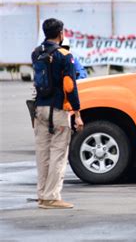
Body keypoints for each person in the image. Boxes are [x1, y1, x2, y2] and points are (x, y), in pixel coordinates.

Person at [32, 18, 84, 208]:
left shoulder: (36, 53)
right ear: (61, 33)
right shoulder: (64, 55)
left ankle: (42, 194)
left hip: (39, 109)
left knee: (43, 153)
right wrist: (77, 113)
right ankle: (52, 196)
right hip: (58, 110)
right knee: (58, 154)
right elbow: (70, 86)